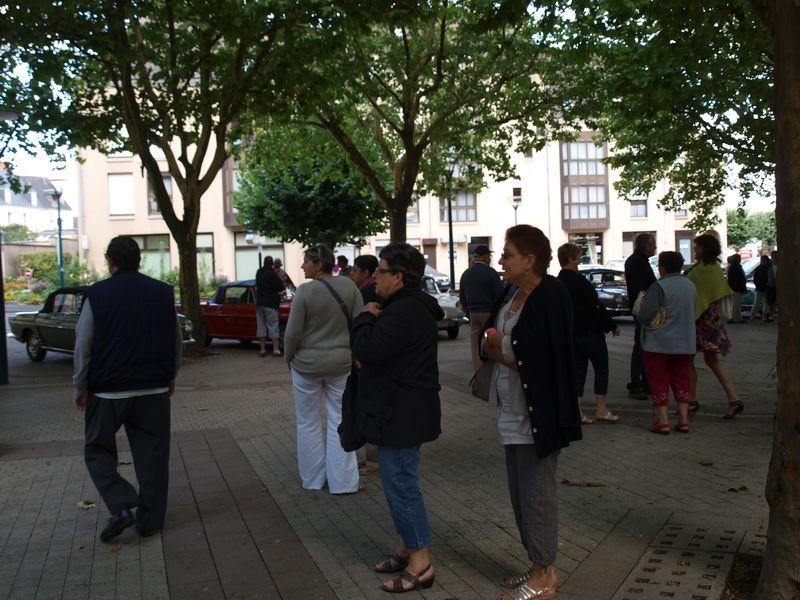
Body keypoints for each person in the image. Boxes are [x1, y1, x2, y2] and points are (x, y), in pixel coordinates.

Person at [480, 225, 582, 600]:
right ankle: (537, 564)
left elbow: (539, 356)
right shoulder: (511, 293)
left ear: (530, 259)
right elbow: (490, 336)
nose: (501, 260)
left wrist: (501, 348)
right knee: (520, 495)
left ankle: (544, 575)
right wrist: (498, 346)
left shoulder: (551, 294)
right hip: (511, 410)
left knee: (537, 496)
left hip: (539, 416)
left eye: (507, 254)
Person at [72, 236, 182, 542]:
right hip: (153, 390)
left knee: (97, 451)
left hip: (108, 392)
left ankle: (121, 504)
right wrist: (170, 378)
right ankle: (150, 523)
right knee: (153, 457)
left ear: (110, 261)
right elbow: (175, 340)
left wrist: (79, 386)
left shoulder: (97, 295)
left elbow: (83, 344)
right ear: (139, 260)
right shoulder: (162, 293)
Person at [350, 243, 443, 593]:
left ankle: (421, 563)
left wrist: (364, 318)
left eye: (381, 271)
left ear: (399, 277)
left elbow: (367, 351)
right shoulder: (407, 307)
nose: (375, 277)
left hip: (401, 412)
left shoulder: (403, 311)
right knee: (400, 482)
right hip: (402, 409)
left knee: (402, 486)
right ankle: (407, 548)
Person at [284, 244, 364, 494]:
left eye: (306, 262)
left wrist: (289, 358)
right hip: (340, 364)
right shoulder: (349, 287)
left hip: (306, 366)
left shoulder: (304, 292)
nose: (302, 266)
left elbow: (292, 333)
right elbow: (359, 324)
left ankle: (312, 479)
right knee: (340, 420)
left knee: (307, 421)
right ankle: (343, 483)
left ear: (318, 264)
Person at [557, 243, 620, 425]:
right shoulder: (580, 281)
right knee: (601, 369)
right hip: (590, 332)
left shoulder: (558, 282)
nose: (579, 260)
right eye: (577, 257)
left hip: (571, 334)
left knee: (578, 371)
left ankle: (577, 411)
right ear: (571, 259)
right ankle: (601, 409)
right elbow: (595, 306)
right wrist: (611, 325)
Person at [638, 252, 698, 434]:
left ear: (662, 267)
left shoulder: (659, 286)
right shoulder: (690, 285)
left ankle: (663, 421)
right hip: (685, 342)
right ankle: (684, 419)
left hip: (658, 342)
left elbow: (645, 314)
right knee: (682, 379)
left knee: (658, 380)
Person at [685, 234, 742, 418]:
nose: (694, 249)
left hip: (701, 320)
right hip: (711, 320)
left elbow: (693, 292)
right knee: (711, 360)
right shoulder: (714, 267)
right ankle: (733, 399)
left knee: (688, 360)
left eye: (697, 247)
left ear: (705, 248)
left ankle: (692, 401)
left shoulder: (702, 269)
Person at [459, 244, 505, 372]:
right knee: (491, 342)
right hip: (488, 313)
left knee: (475, 344)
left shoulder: (466, 274)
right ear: (484, 257)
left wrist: (467, 311)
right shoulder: (491, 273)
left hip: (473, 313)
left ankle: (478, 370)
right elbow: (500, 295)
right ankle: (491, 370)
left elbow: (462, 296)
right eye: (489, 256)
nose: (490, 259)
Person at [624, 233, 657, 400]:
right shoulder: (638, 262)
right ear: (647, 246)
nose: (655, 247)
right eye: (653, 244)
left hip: (641, 307)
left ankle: (644, 383)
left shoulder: (637, 261)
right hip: (643, 309)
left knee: (642, 345)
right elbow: (643, 288)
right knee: (641, 346)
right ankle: (637, 384)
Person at [255, 255, 286, 357]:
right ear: (272, 263)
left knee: (261, 326)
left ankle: (262, 350)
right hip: (270, 303)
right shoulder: (272, 274)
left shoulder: (259, 272)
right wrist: (281, 281)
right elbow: (280, 287)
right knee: (273, 326)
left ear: (264, 262)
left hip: (259, 303)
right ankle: (276, 350)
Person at [725, 254, 747, 323]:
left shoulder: (732, 266)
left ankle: (736, 317)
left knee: (735, 304)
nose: (740, 259)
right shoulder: (736, 267)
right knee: (736, 304)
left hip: (733, 287)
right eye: (739, 258)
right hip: (736, 288)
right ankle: (735, 318)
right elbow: (738, 278)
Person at [750, 254, 771, 321]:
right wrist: (757, 285)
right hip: (760, 287)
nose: (762, 261)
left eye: (764, 260)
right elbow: (755, 279)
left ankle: (764, 315)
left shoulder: (767, 268)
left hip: (766, 287)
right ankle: (754, 315)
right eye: (762, 260)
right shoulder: (759, 268)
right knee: (757, 302)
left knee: (765, 302)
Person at [765, 250, 777, 322]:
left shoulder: (782, 264)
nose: (774, 257)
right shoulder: (769, 264)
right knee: (770, 301)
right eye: (773, 256)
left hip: (780, 285)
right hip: (770, 285)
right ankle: (770, 315)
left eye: (775, 256)